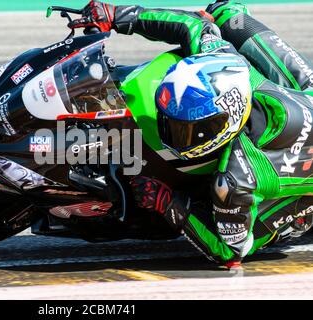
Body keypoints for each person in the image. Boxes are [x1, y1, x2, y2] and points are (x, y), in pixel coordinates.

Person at [68, 0, 313, 268]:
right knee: (227, 14)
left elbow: (229, 253)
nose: (171, 133)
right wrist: (117, 15)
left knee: (239, 232)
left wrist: (168, 202)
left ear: (223, 123)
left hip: (294, 175)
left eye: (185, 130)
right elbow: (194, 25)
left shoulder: (237, 178)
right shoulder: (223, 60)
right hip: (304, 97)